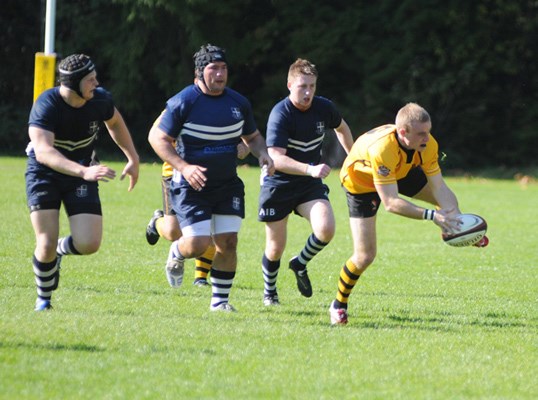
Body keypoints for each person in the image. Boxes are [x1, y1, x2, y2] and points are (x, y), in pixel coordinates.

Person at [328, 102, 489, 325]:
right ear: (403, 132)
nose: (427, 137)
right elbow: (391, 203)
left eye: (428, 131)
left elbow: (440, 188)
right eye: (421, 133)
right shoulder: (382, 149)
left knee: (447, 205)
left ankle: (456, 227)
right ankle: (339, 304)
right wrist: (434, 216)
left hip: (402, 169)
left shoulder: (427, 144)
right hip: (361, 183)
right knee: (365, 255)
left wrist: (460, 225)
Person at [148, 43, 274, 312]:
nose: (219, 74)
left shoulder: (238, 103)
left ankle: (219, 302)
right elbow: (158, 139)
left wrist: (262, 153)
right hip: (191, 184)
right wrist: (184, 167)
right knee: (196, 243)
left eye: (224, 68)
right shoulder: (183, 102)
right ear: (199, 73)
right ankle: (177, 252)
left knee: (228, 243)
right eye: (213, 68)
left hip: (227, 184)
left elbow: (252, 137)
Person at [26, 53, 140, 311]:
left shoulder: (99, 99)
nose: (96, 83)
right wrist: (83, 172)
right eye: (90, 80)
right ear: (74, 84)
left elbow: (115, 122)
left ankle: (59, 250)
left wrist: (132, 157)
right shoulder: (47, 104)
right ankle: (44, 300)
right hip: (44, 173)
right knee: (44, 243)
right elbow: (43, 152)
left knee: (89, 243)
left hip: (82, 171)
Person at [258, 58, 354, 306]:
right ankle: (270, 292)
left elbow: (341, 128)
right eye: (303, 86)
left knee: (326, 229)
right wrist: (310, 169)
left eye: (312, 86)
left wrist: (353, 159)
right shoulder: (281, 114)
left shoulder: (324, 108)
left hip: (307, 185)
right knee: (275, 247)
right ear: (290, 84)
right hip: (278, 183)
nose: (308, 92)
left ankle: (300, 263)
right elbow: (276, 158)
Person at [145, 140, 250, 287]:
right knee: (173, 232)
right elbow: (158, 137)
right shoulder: (174, 115)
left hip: (216, 178)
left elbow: (250, 136)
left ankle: (200, 278)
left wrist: (245, 147)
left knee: (213, 230)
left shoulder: (231, 116)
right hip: (178, 176)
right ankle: (157, 223)